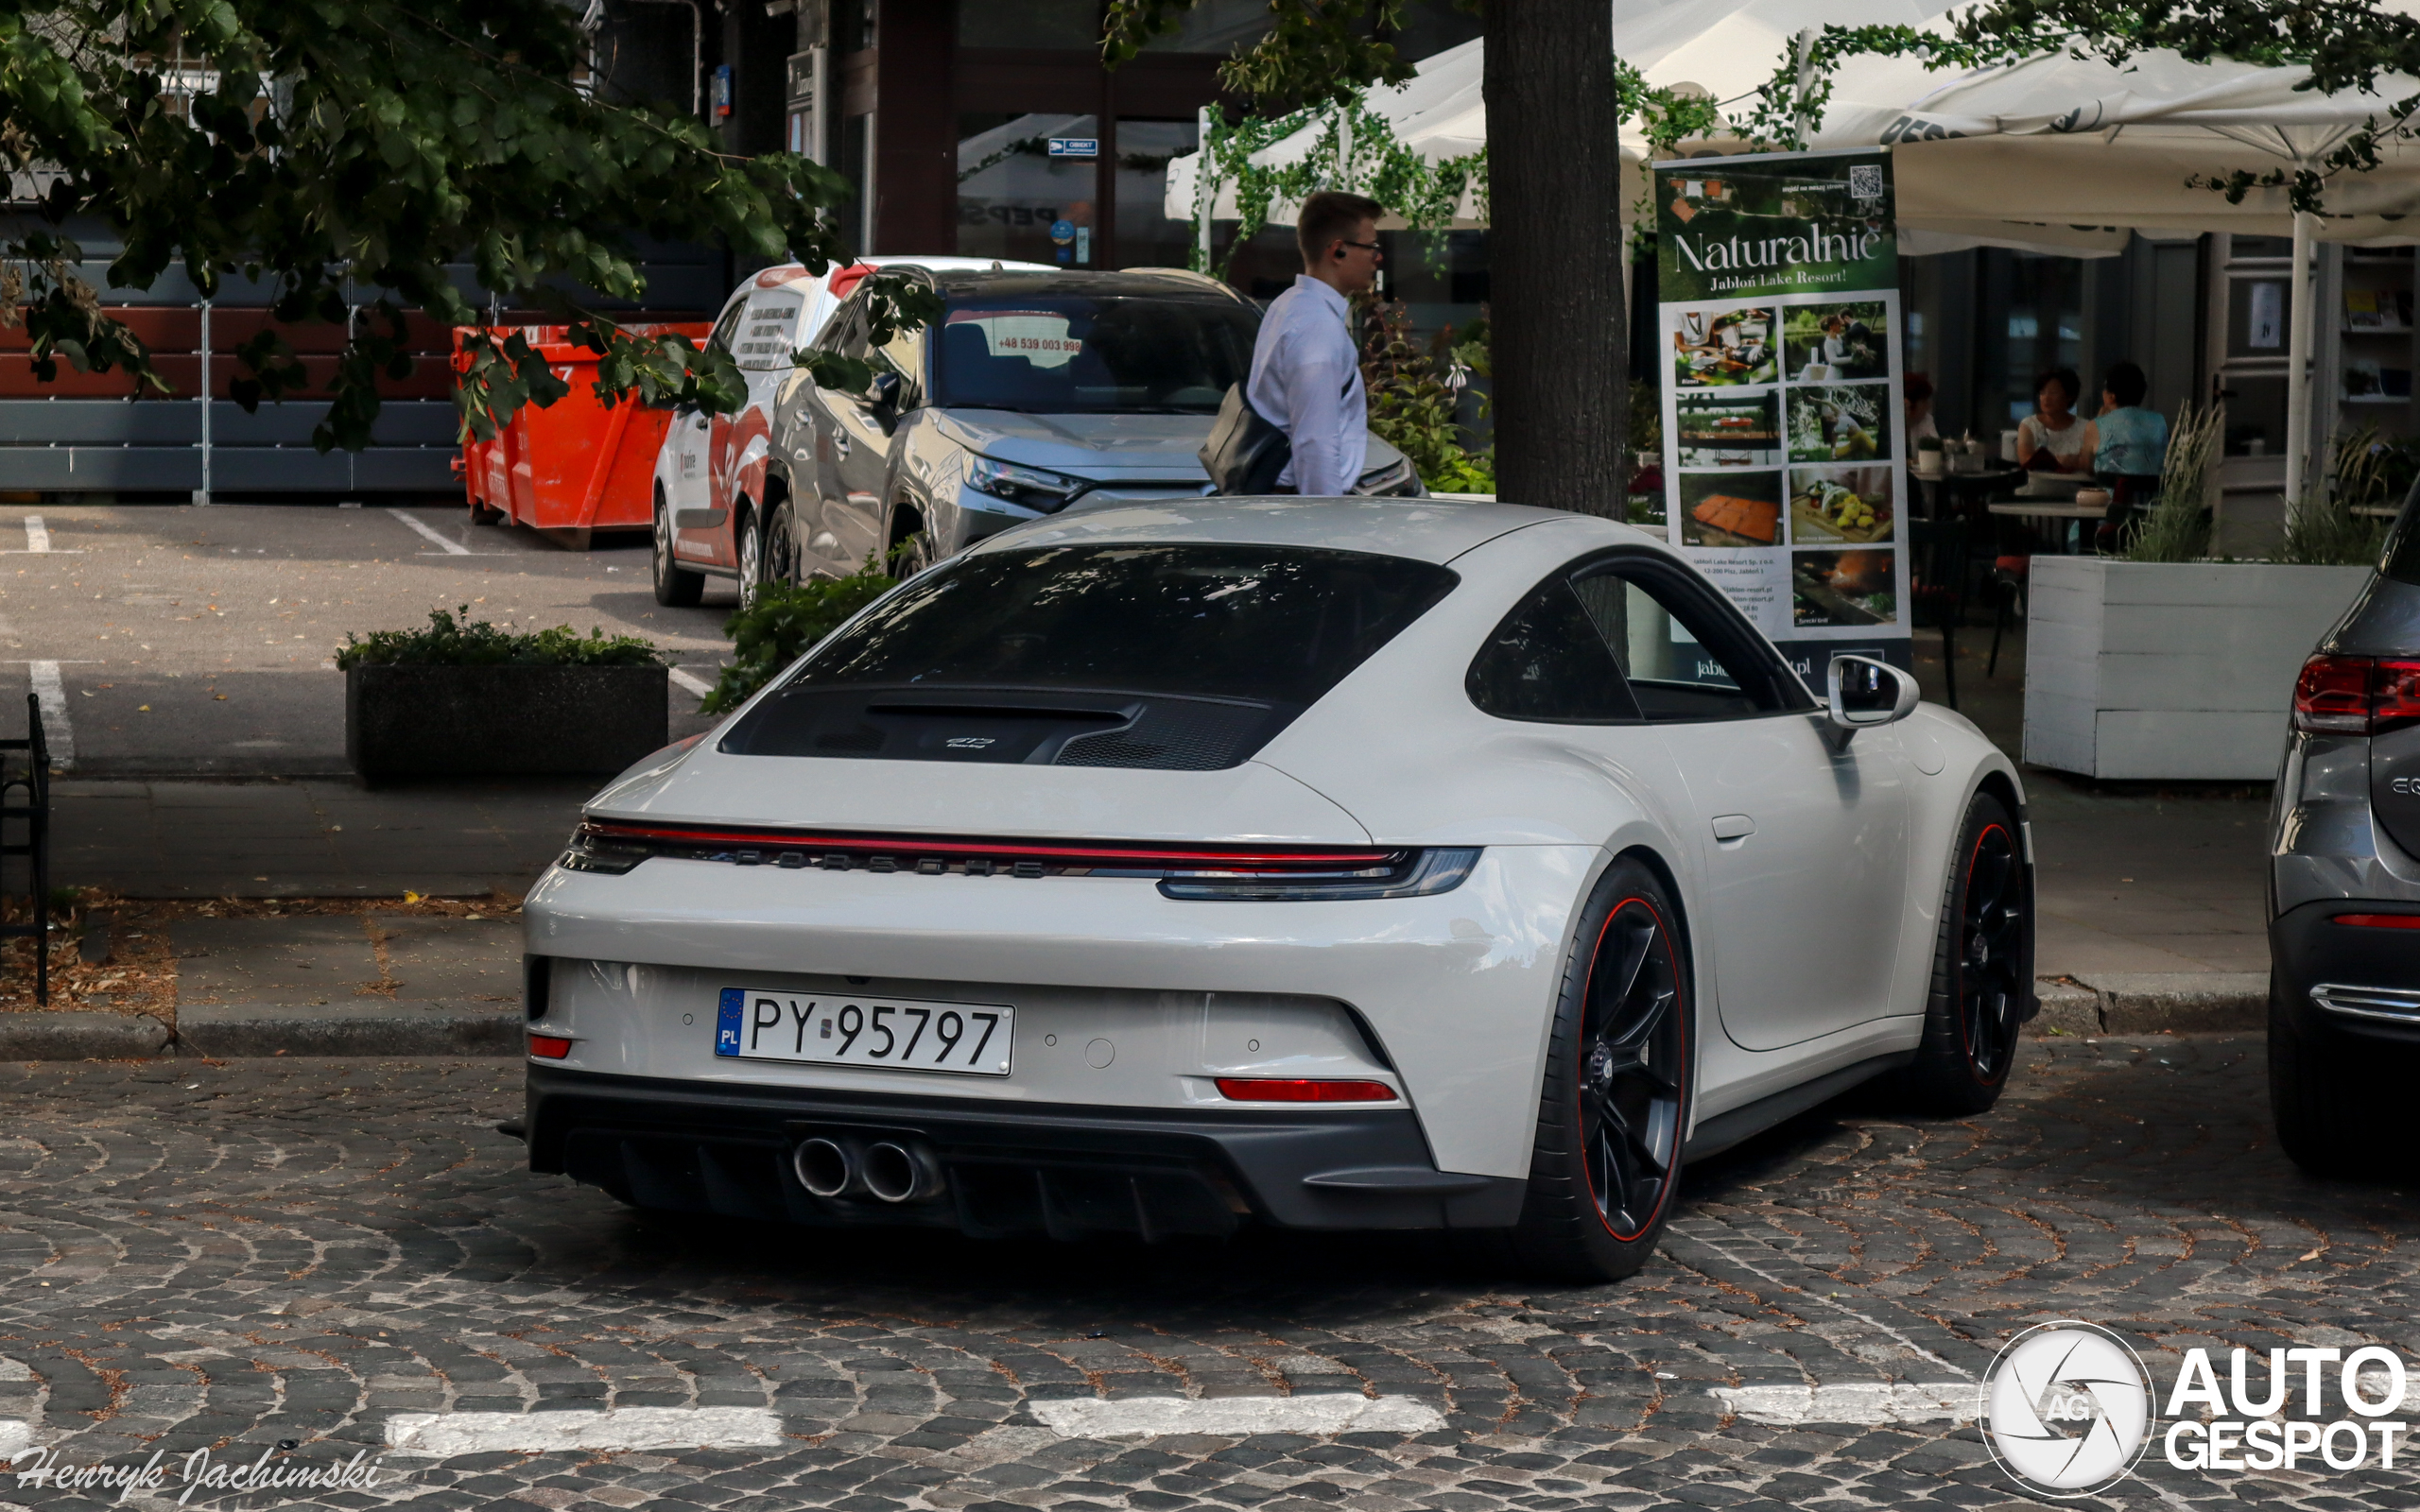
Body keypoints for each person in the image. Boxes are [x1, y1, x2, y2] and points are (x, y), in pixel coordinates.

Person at [1246, 190, 1383, 496]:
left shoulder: (1290, 304)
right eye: (1371, 247)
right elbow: (1315, 446)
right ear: (1338, 251)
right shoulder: (1317, 327)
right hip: (1303, 507)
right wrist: (1327, 534)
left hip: (1285, 501)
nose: (1378, 257)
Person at [2092, 360, 2169, 550]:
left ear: (2110, 396)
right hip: (2151, 522)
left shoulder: (2098, 425)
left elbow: (2087, 465)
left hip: (2108, 520)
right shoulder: (2159, 422)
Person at [2016, 369, 2094, 472]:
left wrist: (2077, 462)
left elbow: (2093, 464)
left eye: (2053, 393)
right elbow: (2025, 459)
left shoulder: (2086, 427)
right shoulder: (2029, 424)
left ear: (2069, 396)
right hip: (2035, 486)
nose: (2046, 398)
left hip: (2075, 487)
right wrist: (2061, 461)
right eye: (2042, 393)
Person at [1905, 372, 1939, 443]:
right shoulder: (1892, 424)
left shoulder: (1926, 419)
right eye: (1924, 401)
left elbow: (1936, 448)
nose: (1928, 406)